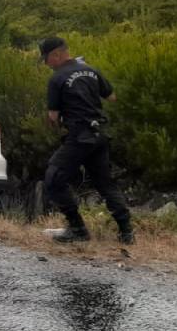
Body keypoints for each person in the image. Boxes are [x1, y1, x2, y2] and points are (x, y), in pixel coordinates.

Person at [39, 37, 134, 245]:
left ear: (56, 54)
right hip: (99, 134)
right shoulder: (91, 70)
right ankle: (127, 233)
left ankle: (77, 229)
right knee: (105, 183)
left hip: (79, 136)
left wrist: (58, 122)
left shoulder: (57, 78)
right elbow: (112, 97)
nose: (46, 64)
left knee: (54, 178)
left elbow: (53, 116)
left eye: (46, 59)